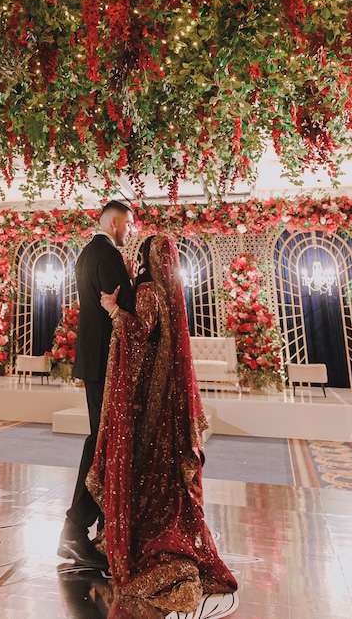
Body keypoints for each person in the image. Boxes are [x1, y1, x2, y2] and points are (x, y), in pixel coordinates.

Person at [87, 234, 238, 615]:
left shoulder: (149, 292)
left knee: (145, 471)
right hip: (167, 401)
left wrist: (113, 310)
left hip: (146, 404)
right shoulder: (171, 293)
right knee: (167, 473)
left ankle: (142, 535)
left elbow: (139, 336)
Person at [58, 200, 137, 570]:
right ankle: (75, 529)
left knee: (103, 440)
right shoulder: (106, 253)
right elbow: (131, 307)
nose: (130, 232)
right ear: (116, 221)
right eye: (129, 226)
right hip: (106, 361)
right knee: (103, 442)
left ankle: (101, 528)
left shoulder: (86, 253)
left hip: (94, 359)